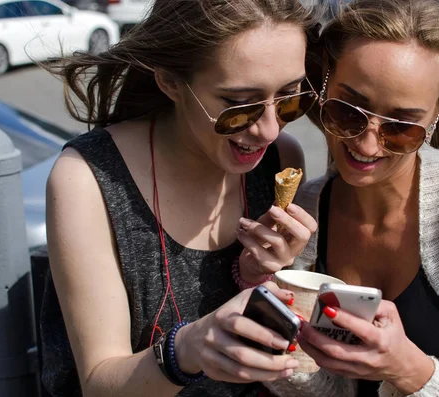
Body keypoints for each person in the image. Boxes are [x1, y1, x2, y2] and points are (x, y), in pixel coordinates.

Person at [258, 0, 439, 396]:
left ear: (437, 112)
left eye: (401, 128)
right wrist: (269, 301)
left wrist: (409, 371)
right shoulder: (309, 209)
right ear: (325, 83)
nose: (366, 144)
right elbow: (320, 386)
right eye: (348, 111)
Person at [40, 1, 323, 396]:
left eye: (292, 98)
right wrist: (187, 349)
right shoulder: (88, 178)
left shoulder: (280, 160)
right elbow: (99, 384)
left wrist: (264, 277)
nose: (270, 129)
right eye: (239, 105)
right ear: (170, 81)